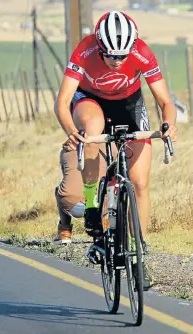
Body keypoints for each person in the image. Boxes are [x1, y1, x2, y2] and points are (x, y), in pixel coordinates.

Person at [54, 10, 177, 290]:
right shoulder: (85, 50)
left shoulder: (142, 52)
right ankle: (93, 207)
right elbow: (62, 101)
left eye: (122, 56)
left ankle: (139, 253)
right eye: (111, 56)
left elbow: (165, 102)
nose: (117, 61)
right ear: (99, 46)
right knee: (94, 129)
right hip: (89, 99)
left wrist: (168, 124)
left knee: (140, 182)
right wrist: (71, 132)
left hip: (129, 104)